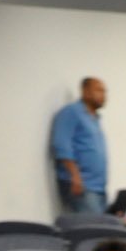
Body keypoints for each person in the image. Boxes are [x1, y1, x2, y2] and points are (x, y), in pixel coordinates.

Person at [49, 76, 107, 214]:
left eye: (104, 91)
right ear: (85, 91)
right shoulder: (71, 112)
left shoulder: (94, 119)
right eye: (99, 90)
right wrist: (75, 176)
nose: (103, 95)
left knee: (102, 225)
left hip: (98, 188)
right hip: (82, 186)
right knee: (91, 226)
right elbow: (61, 145)